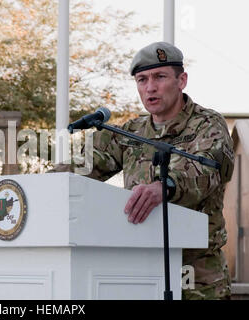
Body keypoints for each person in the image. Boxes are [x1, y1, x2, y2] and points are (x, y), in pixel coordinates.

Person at [52, 42, 234, 300]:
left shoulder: (207, 124)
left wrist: (165, 186)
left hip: (196, 273)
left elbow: (207, 170)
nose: (150, 87)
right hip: (140, 266)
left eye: (160, 77)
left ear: (181, 80)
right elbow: (82, 167)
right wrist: (42, 187)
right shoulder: (131, 132)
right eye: (142, 79)